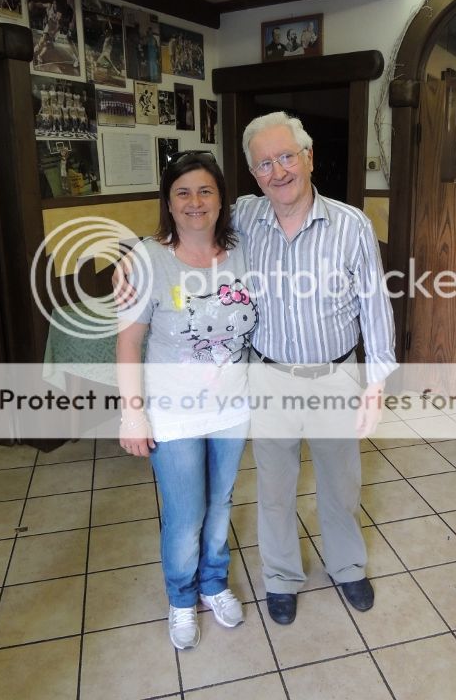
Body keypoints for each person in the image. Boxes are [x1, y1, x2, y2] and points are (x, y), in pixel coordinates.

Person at [115, 113, 396, 626]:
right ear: (252, 173)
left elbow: (375, 306)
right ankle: (282, 578)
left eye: (287, 156)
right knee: (274, 489)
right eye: (264, 163)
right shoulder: (245, 219)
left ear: (309, 157)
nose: (278, 171)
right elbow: (186, 223)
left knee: (340, 485)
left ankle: (347, 566)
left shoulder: (352, 224)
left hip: (335, 376)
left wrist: (375, 384)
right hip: (265, 377)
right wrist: (135, 259)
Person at [116, 152, 258, 650]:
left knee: (220, 504)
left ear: (221, 200)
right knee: (185, 515)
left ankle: (213, 584)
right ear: (169, 202)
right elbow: (128, 343)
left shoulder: (243, 250)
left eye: (205, 191)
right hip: (173, 413)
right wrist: (132, 414)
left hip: (233, 408)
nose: (195, 202)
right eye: (183, 192)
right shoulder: (147, 260)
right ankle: (180, 597)